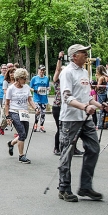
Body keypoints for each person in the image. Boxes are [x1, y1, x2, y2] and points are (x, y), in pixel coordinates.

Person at [58, 44, 106, 202]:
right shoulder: (67, 72)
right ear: (74, 56)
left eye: (86, 52)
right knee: (67, 153)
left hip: (85, 119)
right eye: (83, 53)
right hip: (70, 119)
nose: (86, 55)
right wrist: (85, 107)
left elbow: (87, 97)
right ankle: (64, 188)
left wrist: (101, 105)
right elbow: (67, 98)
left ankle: (85, 186)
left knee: (94, 148)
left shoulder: (85, 72)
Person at [52, 51, 84, 156]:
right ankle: (57, 147)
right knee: (60, 128)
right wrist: (59, 58)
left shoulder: (69, 78)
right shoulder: (57, 79)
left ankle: (73, 147)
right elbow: (57, 69)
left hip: (69, 106)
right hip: (58, 106)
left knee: (73, 130)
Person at [5, 68, 39, 164]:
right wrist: (8, 116)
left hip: (24, 112)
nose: (25, 80)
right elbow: (7, 104)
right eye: (24, 78)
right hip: (14, 112)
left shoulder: (26, 87)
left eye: (26, 78)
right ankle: (21, 156)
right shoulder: (11, 89)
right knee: (22, 133)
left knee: (24, 135)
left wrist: (35, 108)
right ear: (18, 78)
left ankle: (11, 143)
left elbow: (30, 100)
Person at [30, 65, 49, 132]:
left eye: (43, 70)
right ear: (38, 70)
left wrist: (48, 89)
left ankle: (41, 126)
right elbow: (30, 87)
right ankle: (35, 125)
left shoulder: (46, 78)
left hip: (44, 98)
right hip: (36, 98)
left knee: (43, 113)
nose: (42, 71)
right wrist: (35, 91)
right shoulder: (34, 78)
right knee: (38, 111)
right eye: (41, 70)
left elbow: (47, 86)